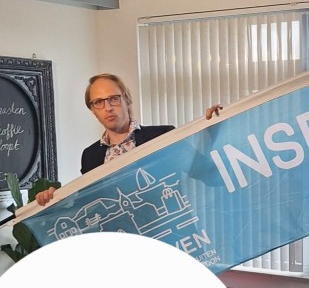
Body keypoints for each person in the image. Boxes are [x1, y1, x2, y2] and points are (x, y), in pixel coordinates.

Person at [35, 73, 222, 205]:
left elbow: (209, 174)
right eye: (98, 102)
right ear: (92, 110)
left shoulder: (162, 136)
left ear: (127, 99)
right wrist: (54, 199)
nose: (108, 107)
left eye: (114, 99)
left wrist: (212, 131)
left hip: (168, 238)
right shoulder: (90, 155)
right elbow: (87, 204)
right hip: (120, 243)